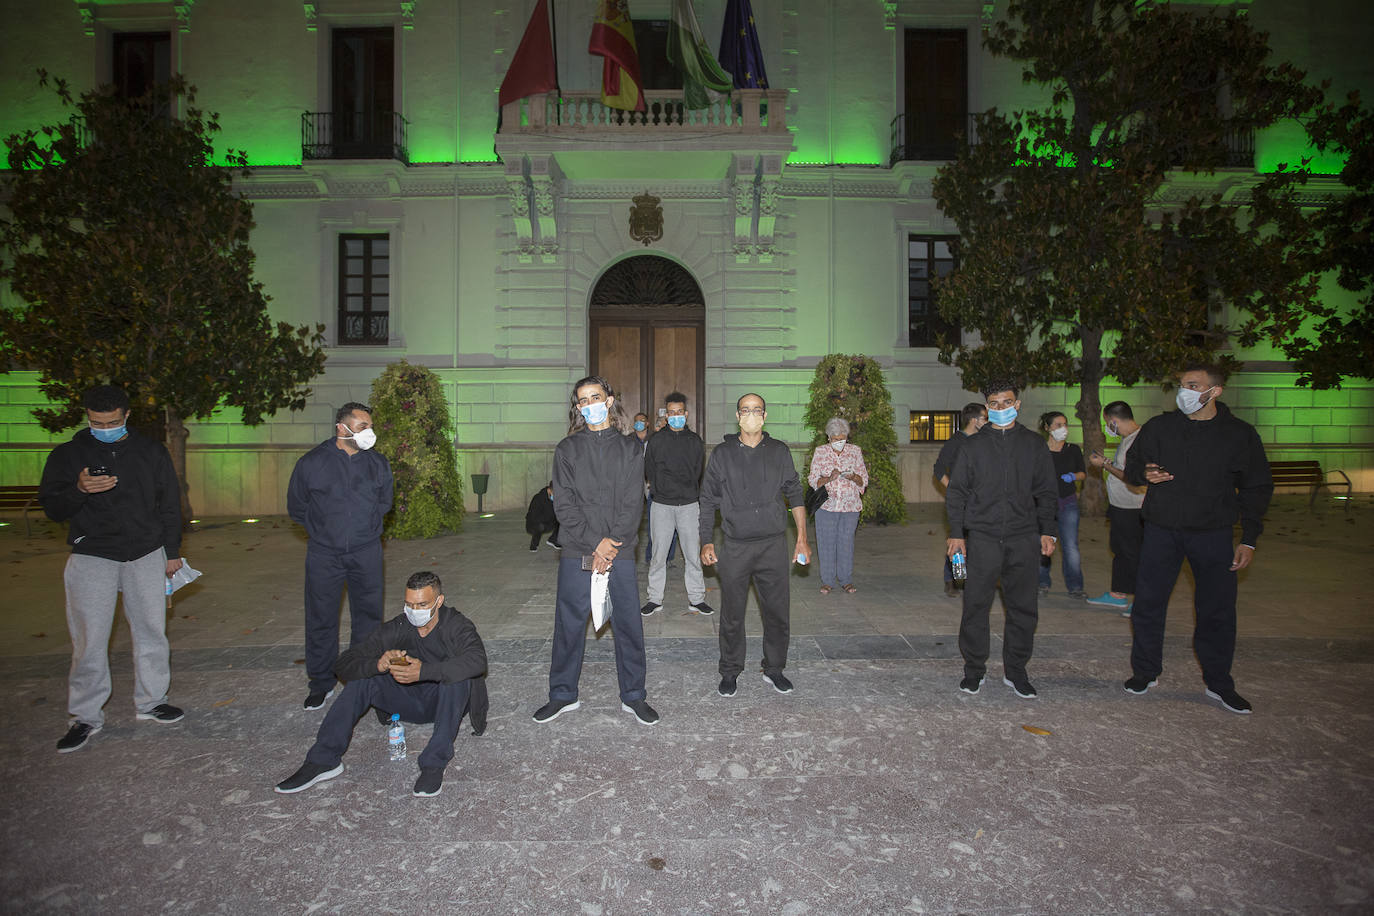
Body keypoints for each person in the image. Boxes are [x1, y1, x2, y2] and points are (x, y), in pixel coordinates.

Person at [39, 385, 186, 753]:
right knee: (89, 640)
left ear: (126, 416)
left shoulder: (151, 451)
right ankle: (85, 716)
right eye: (96, 422)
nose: (105, 427)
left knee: (152, 631)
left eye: (113, 422)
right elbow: (53, 509)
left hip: (146, 553)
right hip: (92, 555)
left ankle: (152, 701)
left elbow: (170, 503)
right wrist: (79, 489)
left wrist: (172, 551)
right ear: (86, 417)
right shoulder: (67, 454)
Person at [1122, 363, 1273, 715]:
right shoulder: (1161, 427)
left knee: (1217, 610)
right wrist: (1144, 473)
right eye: (1181, 384)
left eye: (1192, 385)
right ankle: (1145, 671)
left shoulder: (1239, 434)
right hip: (1161, 531)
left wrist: (1249, 538)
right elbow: (1132, 465)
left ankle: (1218, 682)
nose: (1184, 391)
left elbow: (1256, 487)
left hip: (1213, 534)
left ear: (1214, 391)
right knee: (1147, 604)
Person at [274, 570, 488, 798]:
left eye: (422, 604)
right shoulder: (398, 626)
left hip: (445, 702)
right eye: (409, 605)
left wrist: (424, 671)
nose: (415, 611)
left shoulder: (456, 625)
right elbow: (344, 664)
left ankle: (433, 764)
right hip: (406, 701)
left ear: (439, 601)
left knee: (457, 676)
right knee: (363, 679)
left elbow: (477, 661)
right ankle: (323, 760)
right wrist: (378, 664)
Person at [534, 376, 659, 726]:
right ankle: (562, 694)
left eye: (595, 397)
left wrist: (611, 545)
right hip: (578, 549)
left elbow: (633, 502)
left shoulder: (630, 448)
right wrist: (595, 543)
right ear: (577, 408)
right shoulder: (567, 450)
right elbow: (566, 506)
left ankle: (634, 695)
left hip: (618, 550)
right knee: (569, 623)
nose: (589, 405)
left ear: (609, 400)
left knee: (628, 623)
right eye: (582, 400)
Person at [946, 380, 1058, 700]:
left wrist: (1048, 530)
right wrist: (956, 534)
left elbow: (1047, 492)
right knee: (976, 605)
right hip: (982, 537)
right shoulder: (972, 446)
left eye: (1005, 402)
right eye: (993, 405)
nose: (999, 409)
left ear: (1017, 404)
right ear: (986, 408)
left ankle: (1017, 671)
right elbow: (956, 493)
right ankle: (974, 670)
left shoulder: (1034, 445)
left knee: (1023, 607)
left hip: (1024, 537)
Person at [699, 393, 809, 697]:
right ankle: (730, 670)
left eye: (756, 410)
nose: (751, 415)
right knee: (732, 613)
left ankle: (774, 669)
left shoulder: (779, 452)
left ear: (765, 415)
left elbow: (795, 494)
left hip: (773, 545)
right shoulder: (722, 454)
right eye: (745, 410)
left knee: (777, 612)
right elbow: (707, 501)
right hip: (735, 546)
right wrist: (706, 540)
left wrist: (802, 538)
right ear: (737, 416)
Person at [287, 402, 394, 711]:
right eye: (362, 427)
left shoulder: (377, 463)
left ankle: (364, 679)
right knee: (321, 618)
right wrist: (323, 531)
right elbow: (297, 506)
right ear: (342, 428)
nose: (368, 433)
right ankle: (321, 682)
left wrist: (366, 528)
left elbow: (384, 501)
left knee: (369, 621)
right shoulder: (312, 463)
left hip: (367, 552)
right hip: (324, 555)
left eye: (370, 427)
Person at [641, 392, 713, 617]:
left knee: (693, 554)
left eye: (679, 412)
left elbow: (697, 471)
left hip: (689, 505)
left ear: (686, 414)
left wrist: (686, 490)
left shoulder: (694, 441)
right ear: (666, 414)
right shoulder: (656, 440)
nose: (675, 416)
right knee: (658, 555)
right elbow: (648, 470)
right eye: (671, 413)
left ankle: (697, 599)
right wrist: (659, 489)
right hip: (661, 504)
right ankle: (654, 599)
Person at [1087, 402, 1145, 614]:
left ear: (1114, 420)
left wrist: (1104, 465)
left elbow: (1134, 477)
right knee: (1120, 551)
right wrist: (1109, 462)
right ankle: (1118, 594)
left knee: (1135, 553)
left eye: (1107, 423)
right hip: (1121, 506)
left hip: (1133, 507)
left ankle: (1142, 601)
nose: (1107, 427)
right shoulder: (1127, 439)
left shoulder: (1140, 441)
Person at [807, 417, 868, 595]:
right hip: (827, 506)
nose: (840, 442)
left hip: (850, 506)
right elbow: (813, 480)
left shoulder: (855, 451)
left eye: (843, 439)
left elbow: (863, 479)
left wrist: (853, 476)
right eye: (836, 439)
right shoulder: (820, 452)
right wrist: (829, 478)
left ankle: (846, 580)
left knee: (846, 543)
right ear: (828, 438)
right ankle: (827, 581)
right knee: (826, 543)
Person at [933, 403, 987, 598]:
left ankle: (975, 579)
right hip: (961, 502)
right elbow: (939, 469)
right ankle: (953, 580)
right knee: (957, 540)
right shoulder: (956, 441)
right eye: (984, 418)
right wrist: (954, 488)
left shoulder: (985, 440)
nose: (987, 422)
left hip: (981, 501)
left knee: (979, 542)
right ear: (974, 420)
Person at [1038, 411, 1087, 600]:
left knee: (1070, 546)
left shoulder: (1073, 449)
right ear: (1047, 428)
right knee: (1043, 544)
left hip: (1067, 503)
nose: (1063, 428)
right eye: (1058, 425)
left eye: (1064, 424)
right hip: (1044, 504)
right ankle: (1042, 582)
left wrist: (1074, 476)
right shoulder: (1040, 450)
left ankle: (1075, 586)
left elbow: (1082, 473)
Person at [526, 480, 561, 551]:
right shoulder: (538, 498)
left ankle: (553, 540)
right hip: (533, 524)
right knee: (540, 526)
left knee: (563, 520)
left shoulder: (556, 498)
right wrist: (551, 516)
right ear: (550, 490)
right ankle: (534, 544)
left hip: (548, 521)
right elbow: (534, 517)